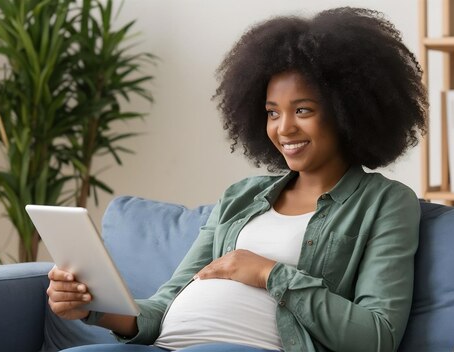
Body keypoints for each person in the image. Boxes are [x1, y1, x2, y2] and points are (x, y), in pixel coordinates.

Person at [47, 7, 427, 352]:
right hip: (162, 345)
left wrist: (268, 273)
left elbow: (377, 337)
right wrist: (93, 307)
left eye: (303, 110)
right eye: (272, 112)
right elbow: (163, 306)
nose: (284, 128)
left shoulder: (385, 203)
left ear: (349, 111)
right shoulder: (241, 197)